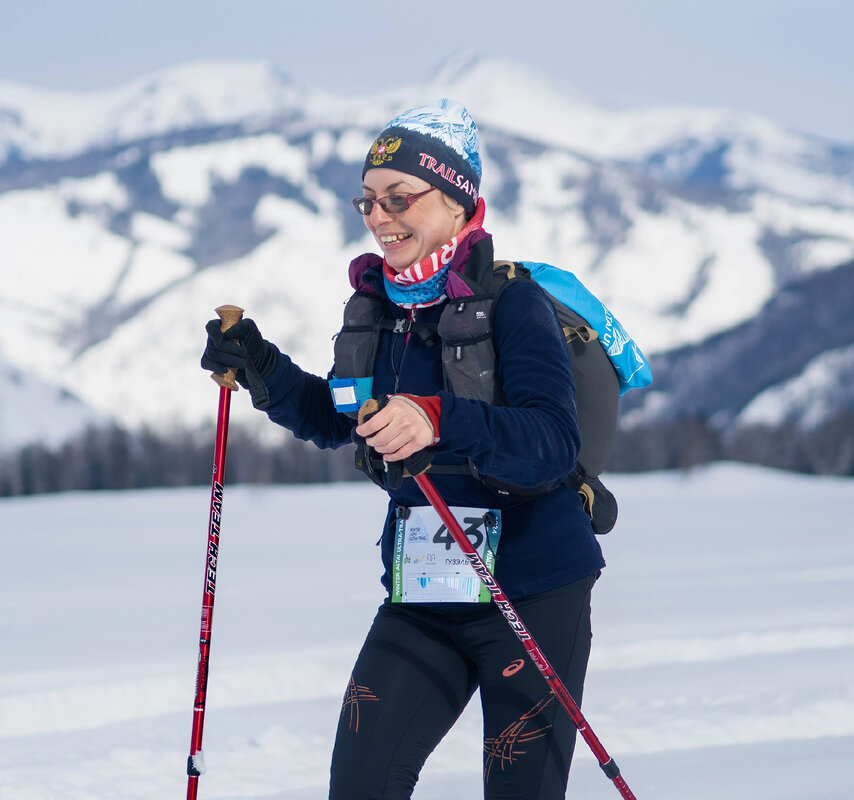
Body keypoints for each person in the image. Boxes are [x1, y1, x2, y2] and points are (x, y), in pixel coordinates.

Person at [202, 98, 609, 800]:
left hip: (534, 589)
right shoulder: (377, 313)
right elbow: (340, 419)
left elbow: (552, 440)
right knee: (360, 787)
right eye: (366, 202)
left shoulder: (516, 306)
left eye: (398, 198)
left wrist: (436, 417)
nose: (379, 217)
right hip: (426, 589)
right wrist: (261, 366)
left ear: (456, 202)